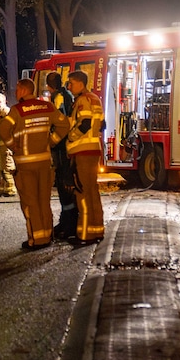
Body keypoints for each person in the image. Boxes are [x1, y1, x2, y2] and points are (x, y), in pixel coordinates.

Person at [0, 78, 68, 249]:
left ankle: (37, 239)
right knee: (44, 200)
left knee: (31, 202)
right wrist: (52, 141)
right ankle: (47, 235)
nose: (15, 92)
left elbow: (2, 129)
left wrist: (12, 144)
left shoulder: (17, 111)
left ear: (23, 90)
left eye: (17, 89)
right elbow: (64, 124)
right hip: (44, 161)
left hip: (25, 164)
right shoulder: (47, 107)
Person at [65, 70, 105, 247]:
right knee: (92, 191)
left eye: (71, 83)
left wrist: (70, 137)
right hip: (93, 150)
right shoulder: (95, 99)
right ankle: (97, 229)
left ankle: (85, 234)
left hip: (82, 151)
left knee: (82, 192)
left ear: (80, 83)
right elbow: (101, 124)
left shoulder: (82, 100)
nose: (69, 86)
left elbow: (85, 123)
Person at [46, 72, 78, 240]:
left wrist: (52, 141)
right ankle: (67, 220)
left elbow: (60, 121)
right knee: (67, 185)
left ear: (48, 86)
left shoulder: (58, 97)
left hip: (61, 148)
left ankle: (69, 223)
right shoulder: (67, 95)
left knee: (64, 185)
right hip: (68, 146)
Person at [0, 92, 17, 197]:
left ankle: (11, 190)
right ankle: (2, 189)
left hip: (7, 146)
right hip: (1, 146)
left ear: (5, 101)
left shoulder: (7, 113)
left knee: (7, 167)